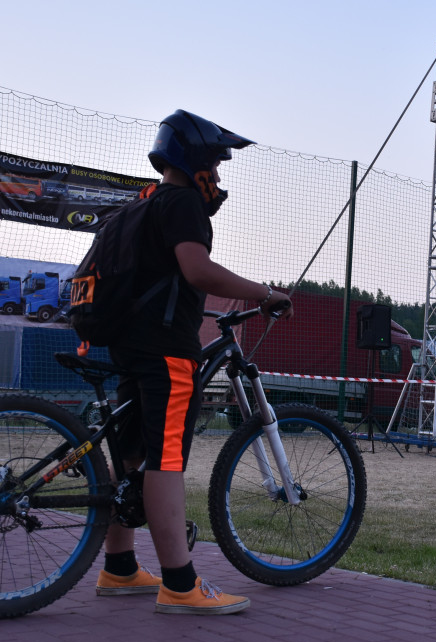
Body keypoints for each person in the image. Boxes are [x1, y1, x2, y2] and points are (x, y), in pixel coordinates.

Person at [94, 110, 292, 615]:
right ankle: (180, 583)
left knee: (133, 453)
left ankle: (118, 567)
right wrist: (263, 293)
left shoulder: (142, 205)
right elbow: (197, 270)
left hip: (129, 344)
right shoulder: (183, 202)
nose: (219, 177)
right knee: (167, 458)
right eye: (217, 165)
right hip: (164, 350)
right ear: (197, 161)